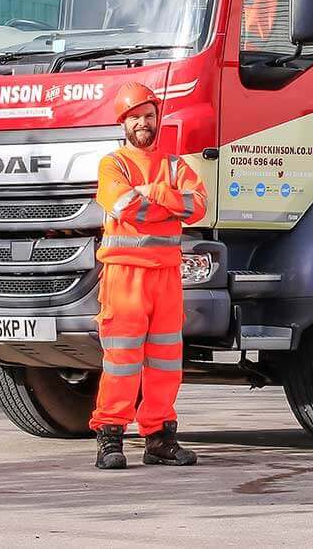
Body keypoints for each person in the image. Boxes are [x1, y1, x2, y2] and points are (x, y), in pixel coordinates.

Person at [89, 81, 208, 469]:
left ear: (158, 119)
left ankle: (158, 438)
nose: (143, 123)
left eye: (149, 116)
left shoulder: (173, 165)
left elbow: (199, 206)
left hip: (167, 277)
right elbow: (125, 206)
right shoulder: (113, 165)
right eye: (135, 117)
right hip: (125, 277)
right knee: (121, 361)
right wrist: (167, 202)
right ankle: (110, 437)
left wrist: (154, 193)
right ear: (123, 123)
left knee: (166, 362)